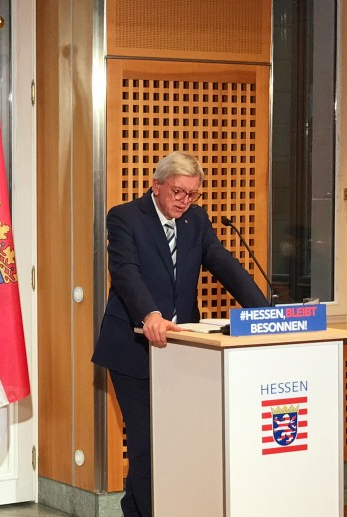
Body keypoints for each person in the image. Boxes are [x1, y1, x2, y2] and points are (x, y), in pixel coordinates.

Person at [92, 151, 267, 517]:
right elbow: (125, 272)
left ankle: (139, 509)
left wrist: (264, 312)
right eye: (178, 192)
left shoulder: (196, 220)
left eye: (192, 194)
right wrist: (149, 313)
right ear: (156, 186)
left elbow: (223, 263)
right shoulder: (125, 217)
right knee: (147, 444)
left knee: (176, 441)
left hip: (182, 350)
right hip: (133, 347)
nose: (185, 201)